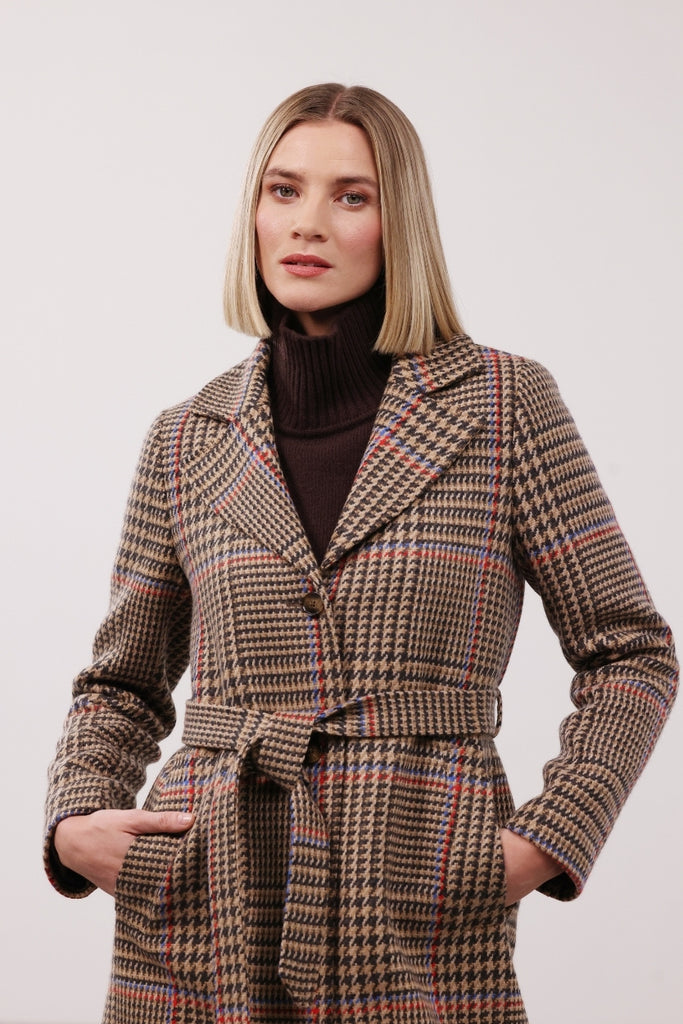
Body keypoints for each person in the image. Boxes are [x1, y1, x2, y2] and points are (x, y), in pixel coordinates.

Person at [45, 83, 678, 1024]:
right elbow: (122, 683)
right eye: (283, 189)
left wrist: (546, 839)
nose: (308, 223)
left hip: (419, 880)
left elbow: (630, 651)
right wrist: (75, 819)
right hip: (203, 890)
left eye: (351, 196)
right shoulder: (186, 437)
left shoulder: (503, 405)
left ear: (400, 224)